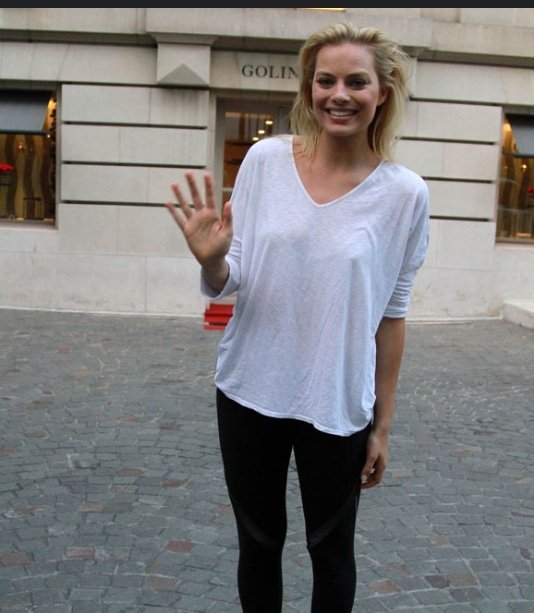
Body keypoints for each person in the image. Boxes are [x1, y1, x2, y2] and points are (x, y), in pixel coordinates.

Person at [166, 21, 429, 613]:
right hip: (249, 389)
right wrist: (211, 262)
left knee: (331, 553)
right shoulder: (265, 161)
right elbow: (232, 277)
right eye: (325, 80)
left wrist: (382, 426)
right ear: (309, 89)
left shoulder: (405, 194)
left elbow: (392, 315)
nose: (339, 94)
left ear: (382, 92)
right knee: (258, 546)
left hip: (335, 401)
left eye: (356, 82)